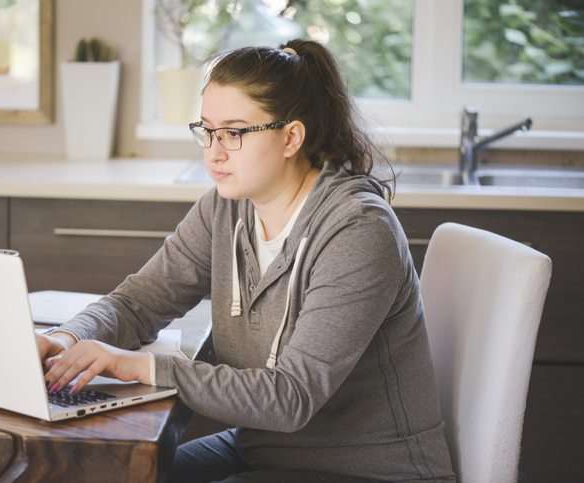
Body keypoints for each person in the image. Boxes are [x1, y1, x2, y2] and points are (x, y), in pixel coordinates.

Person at [38, 39, 455, 483]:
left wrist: (137, 364)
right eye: (207, 130)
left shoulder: (358, 231)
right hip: (265, 452)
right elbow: (140, 302)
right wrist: (68, 338)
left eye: (234, 132)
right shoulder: (225, 208)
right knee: (116, 475)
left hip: (374, 471)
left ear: (291, 136)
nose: (213, 152)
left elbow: (291, 397)